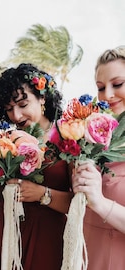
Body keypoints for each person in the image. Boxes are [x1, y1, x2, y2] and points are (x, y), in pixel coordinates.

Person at [0, 63, 73, 270]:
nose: (16, 116)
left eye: (23, 105)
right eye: (9, 109)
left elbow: (81, 203)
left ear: (42, 98)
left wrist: (42, 194)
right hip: (12, 233)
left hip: (50, 236)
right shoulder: (5, 141)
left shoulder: (68, 138)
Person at [72, 46, 125, 269]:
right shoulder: (93, 137)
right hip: (87, 253)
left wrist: (100, 202)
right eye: (101, 88)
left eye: (118, 84)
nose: (108, 95)